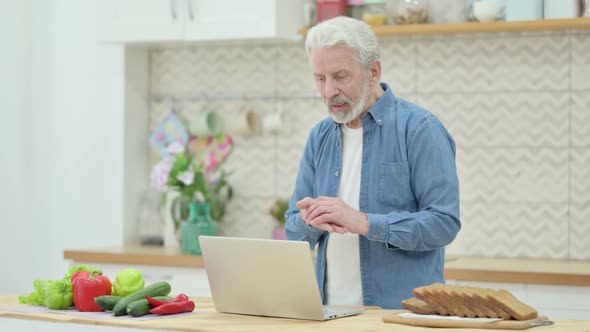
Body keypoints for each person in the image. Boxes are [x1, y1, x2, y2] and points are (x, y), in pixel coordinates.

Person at [285, 16, 461, 310]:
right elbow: (293, 229)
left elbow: (444, 223)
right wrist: (308, 221)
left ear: (373, 72)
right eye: (320, 78)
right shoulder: (320, 136)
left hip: (402, 318)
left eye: (340, 76)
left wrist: (365, 223)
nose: (329, 91)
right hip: (329, 315)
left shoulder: (419, 128)